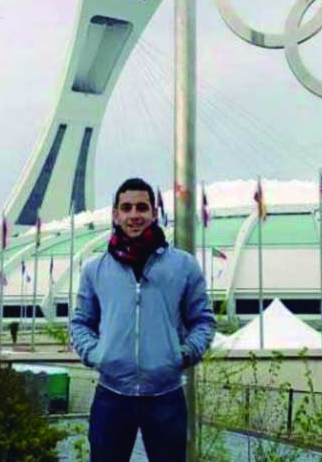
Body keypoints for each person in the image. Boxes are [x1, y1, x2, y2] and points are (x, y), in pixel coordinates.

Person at [70, 178, 215, 461]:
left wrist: (184, 354)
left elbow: (203, 320)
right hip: (112, 395)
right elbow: (80, 322)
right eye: (126, 208)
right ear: (115, 214)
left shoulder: (182, 265)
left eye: (141, 207)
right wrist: (96, 354)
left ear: (154, 213)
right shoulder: (95, 269)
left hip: (165, 396)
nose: (134, 215)